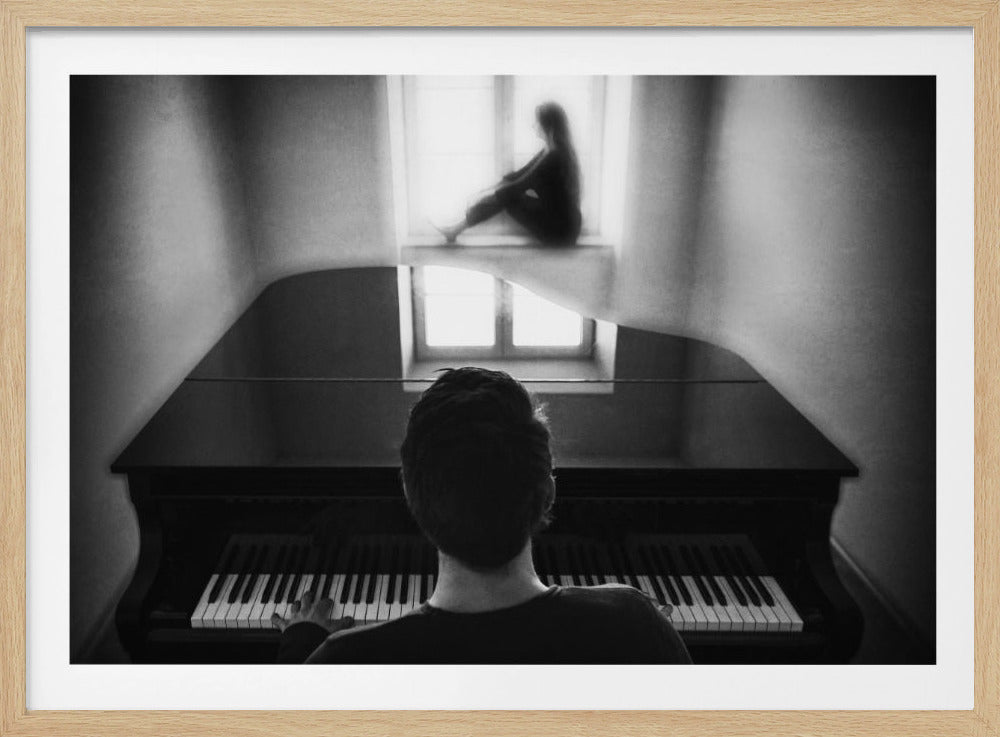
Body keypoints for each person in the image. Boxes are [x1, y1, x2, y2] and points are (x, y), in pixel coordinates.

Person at [273, 367, 691, 664]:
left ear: (410, 495)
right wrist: (634, 620)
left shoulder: (340, 661)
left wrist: (300, 643)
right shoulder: (633, 623)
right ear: (548, 493)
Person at [433, 102, 584, 246]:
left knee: (509, 196)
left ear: (548, 126)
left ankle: (455, 230)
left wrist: (487, 196)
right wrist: (484, 191)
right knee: (508, 193)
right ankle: (455, 229)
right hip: (566, 226)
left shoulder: (554, 156)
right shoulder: (550, 150)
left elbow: (520, 186)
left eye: (537, 122)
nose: (533, 125)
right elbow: (516, 176)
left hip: (562, 231)